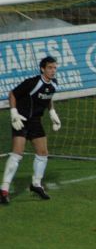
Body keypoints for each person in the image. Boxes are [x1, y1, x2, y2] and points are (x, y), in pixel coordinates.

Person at [1, 56, 60, 204]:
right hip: (21, 120)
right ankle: (4, 190)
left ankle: (36, 184)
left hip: (35, 122)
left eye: (55, 68)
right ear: (42, 69)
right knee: (17, 154)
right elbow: (12, 94)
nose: (53, 71)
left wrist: (52, 113)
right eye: (50, 68)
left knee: (43, 153)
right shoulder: (32, 82)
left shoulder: (53, 85)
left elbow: (48, 98)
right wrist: (14, 113)